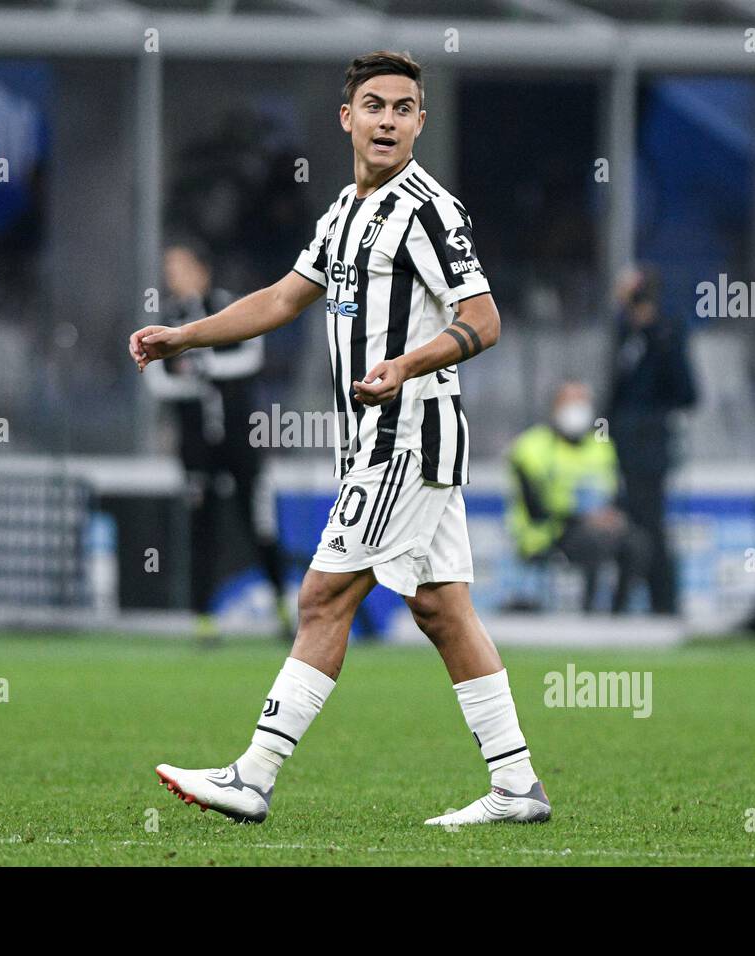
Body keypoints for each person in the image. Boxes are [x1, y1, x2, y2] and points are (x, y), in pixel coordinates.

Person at [130, 51, 550, 827]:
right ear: (346, 118)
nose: (387, 119)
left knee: (324, 596)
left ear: (421, 121)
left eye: (403, 107)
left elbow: (484, 320)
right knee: (442, 610)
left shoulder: (429, 209)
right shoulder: (344, 212)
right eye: (374, 105)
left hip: (407, 436)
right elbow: (286, 297)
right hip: (377, 441)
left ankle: (253, 775)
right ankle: (518, 787)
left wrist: (405, 364)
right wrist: (184, 337)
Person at [143, 236, 292, 643]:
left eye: (179, 266)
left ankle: (284, 608)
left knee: (259, 526)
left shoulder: (232, 307)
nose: (172, 276)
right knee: (201, 527)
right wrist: (192, 381)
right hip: (196, 444)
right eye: (169, 268)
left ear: (200, 268)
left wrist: (208, 364)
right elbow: (158, 380)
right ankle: (204, 620)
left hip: (241, 439)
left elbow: (252, 355)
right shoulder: (167, 318)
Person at [507, 381, 650, 613]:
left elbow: (615, 495)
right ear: (555, 407)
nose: (576, 408)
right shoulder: (531, 447)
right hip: (550, 532)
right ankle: (588, 616)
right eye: (569, 402)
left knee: (637, 544)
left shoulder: (601, 445)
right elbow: (536, 508)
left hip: (595, 528)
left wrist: (612, 516)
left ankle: (618, 614)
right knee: (593, 543)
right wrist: (584, 517)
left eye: (582, 402)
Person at [604, 263, 697, 614]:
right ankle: (624, 603)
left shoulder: (666, 334)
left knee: (650, 526)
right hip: (620, 449)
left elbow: (687, 392)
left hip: (649, 450)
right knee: (630, 527)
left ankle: (664, 603)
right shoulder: (625, 336)